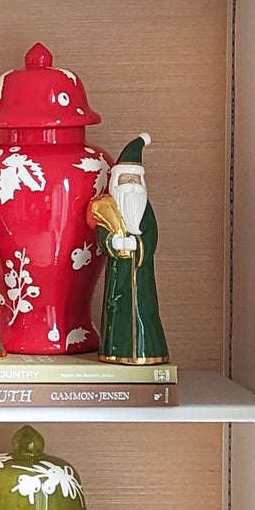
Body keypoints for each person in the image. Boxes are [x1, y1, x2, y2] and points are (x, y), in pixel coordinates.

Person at [87, 137, 169, 363]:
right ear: (116, 184)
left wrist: (139, 246)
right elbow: (102, 234)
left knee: (146, 311)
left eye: (136, 179)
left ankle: (148, 350)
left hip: (141, 273)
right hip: (119, 273)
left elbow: (151, 235)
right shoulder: (108, 208)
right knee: (118, 311)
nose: (132, 185)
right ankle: (115, 350)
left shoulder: (145, 210)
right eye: (127, 179)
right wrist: (115, 243)